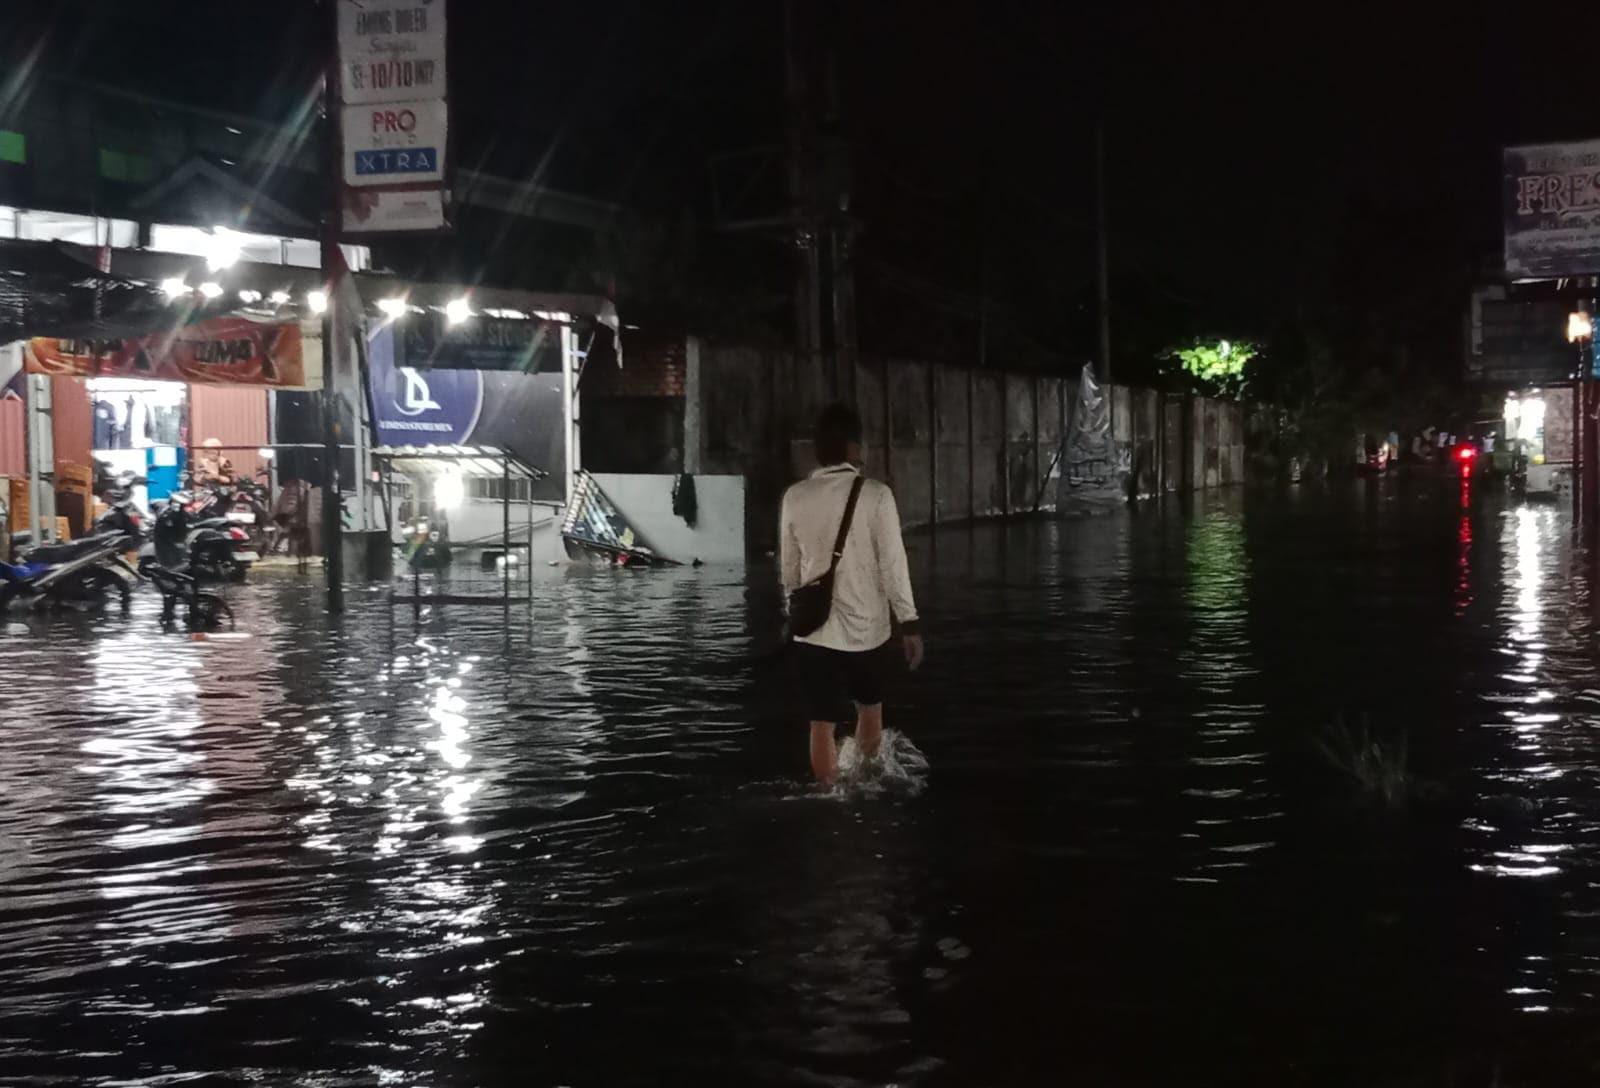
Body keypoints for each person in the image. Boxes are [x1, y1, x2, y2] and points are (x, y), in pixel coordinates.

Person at [781, 403, 924, 786]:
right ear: (854, 447)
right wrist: (909, 623)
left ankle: (827, 800)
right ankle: (866, 786)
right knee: (869, 710)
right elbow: (894, 565)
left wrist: (792, 617)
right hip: (867, 631)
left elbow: (790, 572)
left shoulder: (795, 496)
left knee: (821, 723)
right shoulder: (877, 495)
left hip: (812, 630)